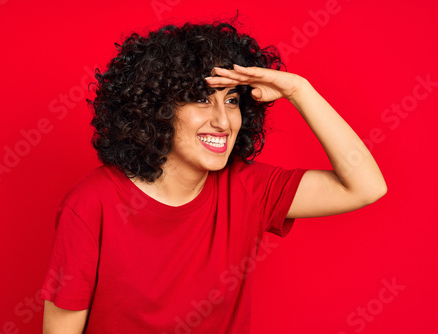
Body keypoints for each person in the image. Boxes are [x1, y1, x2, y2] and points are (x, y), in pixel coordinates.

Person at [40, 16, 387, 334]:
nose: (223, 121)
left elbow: (364, 187)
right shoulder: (92, 203)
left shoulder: (247, 189)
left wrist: (299, 91)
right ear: (157, 109)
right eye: (203, 99)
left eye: (232, 100)